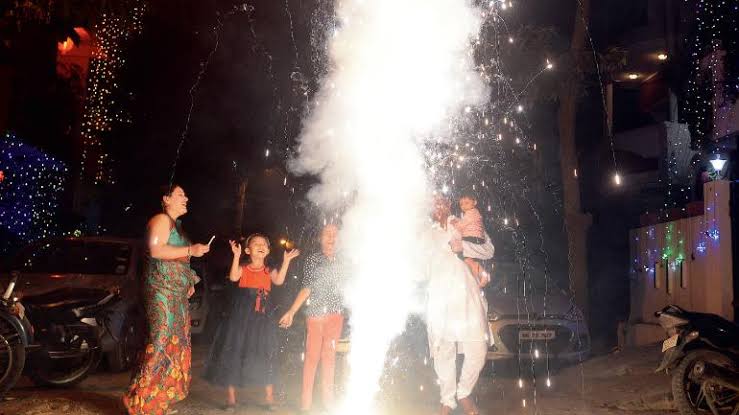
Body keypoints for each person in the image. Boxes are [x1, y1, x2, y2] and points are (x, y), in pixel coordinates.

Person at [123, 184, 210, 415]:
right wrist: (192, 250)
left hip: (176, 295)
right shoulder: (161, 219)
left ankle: (157, 403)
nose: (186, 197)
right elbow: (157, 251)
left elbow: (177, 259)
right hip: (161, 293)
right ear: (166, 199)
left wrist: (189, 281)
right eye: (180, 194)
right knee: (160, 343)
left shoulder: (177, 228)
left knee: (173, 346)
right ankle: (140, 405)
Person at [204, 234, 300, 411]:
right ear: (248, 250)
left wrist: (286, 261)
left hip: (262, 316)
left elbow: (279, 281)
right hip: (240, 316)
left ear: (268, 251)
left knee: (265, 353)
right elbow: (233, 277)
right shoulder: (243, 267)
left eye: (264, 244)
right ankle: (231, 399)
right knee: (234, 353)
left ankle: (269, 398)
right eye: (256, 244)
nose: (260, 245)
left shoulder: (269, 270)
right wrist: (236, 256)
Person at [427, 195, 492, 415]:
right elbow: (418, 268)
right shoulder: (427, 233)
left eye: (441, 202)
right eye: (433, 204)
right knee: (443, 349)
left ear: (448, 203)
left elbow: (488, 250)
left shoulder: (464, 222)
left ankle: (464, 392)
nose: (438, 207)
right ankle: (447, 399)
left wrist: (462, 247)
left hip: (466, 295)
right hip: (439, 296)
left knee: (478, 347)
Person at [278, 223, 345, 413]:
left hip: (335, 316)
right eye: (327, 234)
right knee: (312, 358)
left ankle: (328, 403)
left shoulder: (345, 261)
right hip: (315, 315)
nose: (331, 238)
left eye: (335, 234)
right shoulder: (313, 260)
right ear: (320, 238)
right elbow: (307, 287)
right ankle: (305, 404)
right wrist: (291, 311)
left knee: (329, 359)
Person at [450, 191, 493, 284]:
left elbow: (461, 226)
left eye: (467, 203)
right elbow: (466, 224)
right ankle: (479, 275)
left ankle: (478, 268)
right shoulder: (474, 213)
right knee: (467, 257)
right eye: (461, 204)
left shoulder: (471, 213)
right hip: (476, 238)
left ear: (475, 202)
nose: (464, 206)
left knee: (455, 247)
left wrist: (454, 223)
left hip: (473, 238)